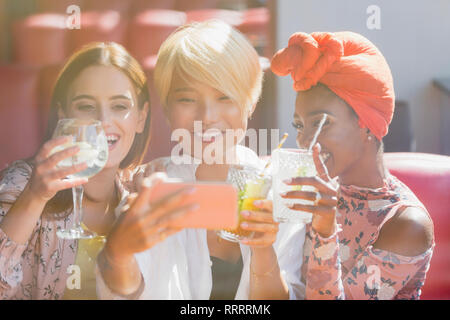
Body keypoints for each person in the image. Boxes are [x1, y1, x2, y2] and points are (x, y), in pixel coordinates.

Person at [96, 20, 306, 300]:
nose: (207, 116)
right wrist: (118, 254)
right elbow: (123, 293)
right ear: (168, 110)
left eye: (224, 97)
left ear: (250, 103)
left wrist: (263, 249)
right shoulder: (150, 187)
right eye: (187, 99)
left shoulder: (282, 190)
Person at [0, 42, 191, 299]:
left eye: (119, 106)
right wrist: (34, 198)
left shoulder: (139, 192)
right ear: (63, 116)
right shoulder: (22, 183)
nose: (102, 121)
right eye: (86, 106)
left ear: (141, 119)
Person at [270, 31, 435, 299]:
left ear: (366, 125)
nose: (304, 141)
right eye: (299, 126)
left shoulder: (404, 224)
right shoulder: (314, 189)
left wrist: (325, 232)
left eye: (321, 123)